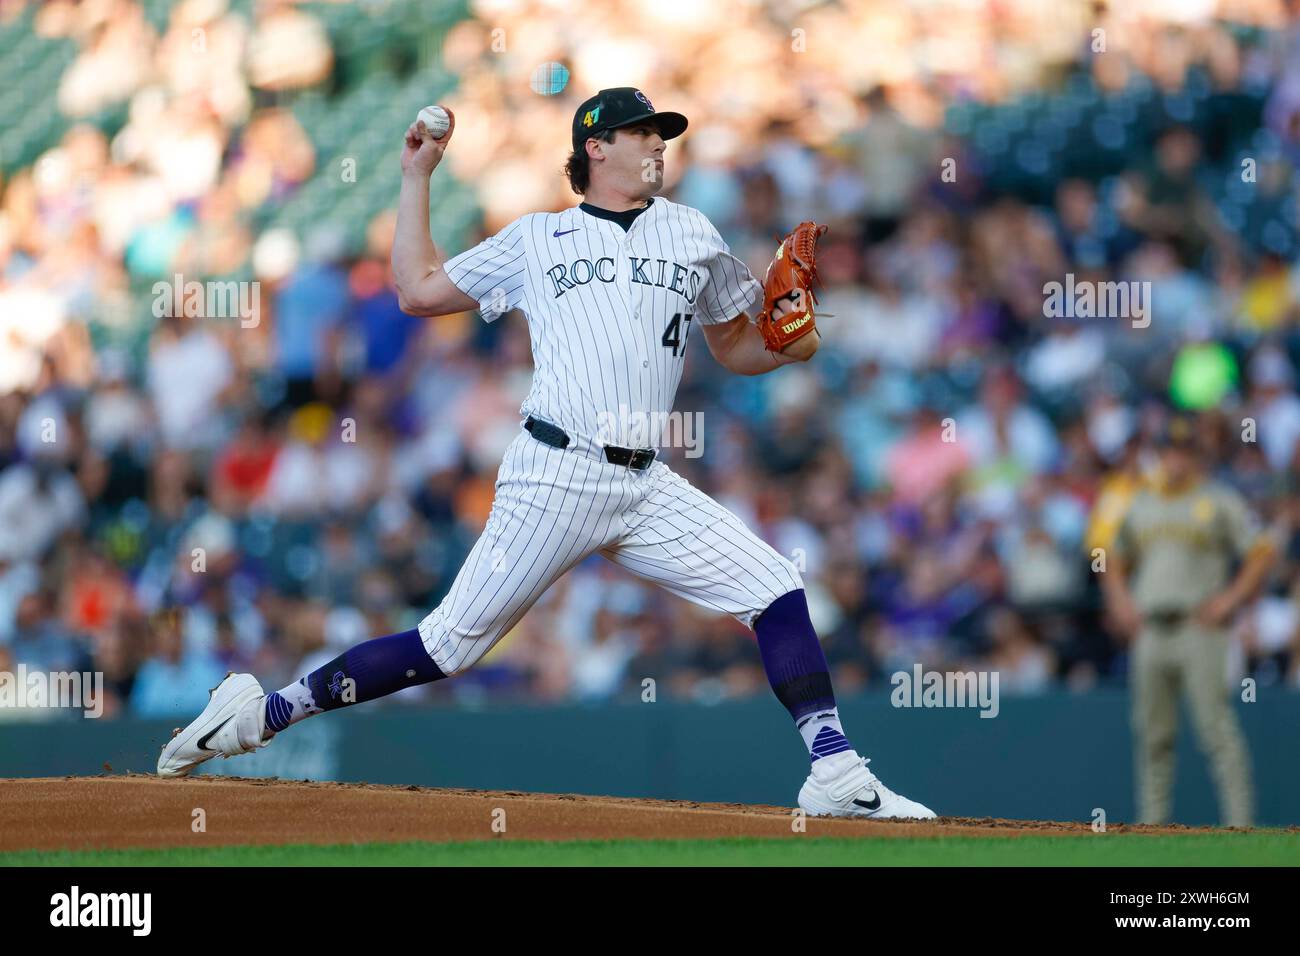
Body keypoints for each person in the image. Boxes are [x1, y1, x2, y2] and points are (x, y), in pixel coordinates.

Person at [156, 87, 935, 819]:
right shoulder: (540, 236)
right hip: (555, 472)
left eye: (662, 135)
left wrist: (791, 346)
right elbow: (419, 290)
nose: (658, 146)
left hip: (644, 482)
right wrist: (416, 177)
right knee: (445, 647)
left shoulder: (692, 230)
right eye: (643, 134)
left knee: (773, 583)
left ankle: (836, 773)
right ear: (597, 146)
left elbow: (737, 344)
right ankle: (264, 712)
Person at [1101, 413, 1275, 827]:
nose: (1175, 460)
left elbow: (1262, 551)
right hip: (1151, 628)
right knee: (1153, 735)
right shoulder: (1142, 502)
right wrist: (1120, 602)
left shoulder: (1218, 499)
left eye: (1183, 451)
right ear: (1159, 455)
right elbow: (1110, 557)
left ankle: (1240, 827)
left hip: (1200, 626)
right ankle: (1152, 828)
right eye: (1168, 451)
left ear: (1196, 457)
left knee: (1217, 731)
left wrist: (1230, 600)